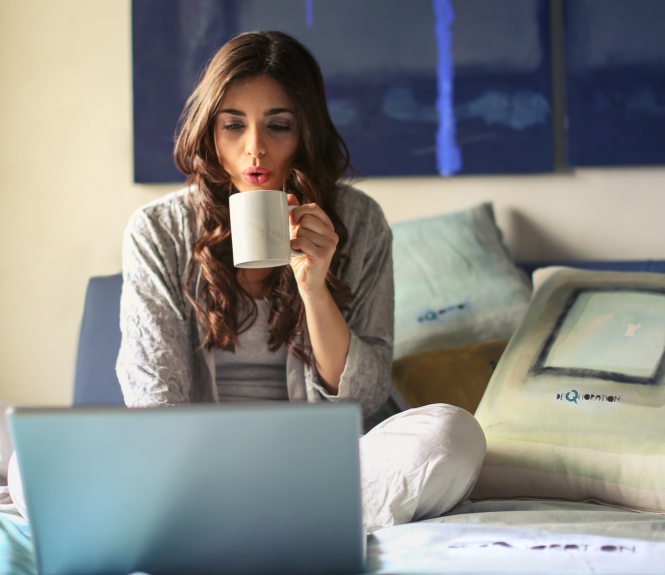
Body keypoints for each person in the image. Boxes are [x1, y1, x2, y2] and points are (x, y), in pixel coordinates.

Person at [114, 31, 485, 532]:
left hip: (324, 466)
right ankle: (283, 521)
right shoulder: (158, 230)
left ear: (305, 132)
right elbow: (152, 395)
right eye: (233, 125)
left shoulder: (360, 221)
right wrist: (186, 470)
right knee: (29, 467)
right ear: (209, 133)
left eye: (278, 125)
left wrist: (314, 286)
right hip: (198, 467)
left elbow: (364, 398)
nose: (255, 149)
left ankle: (239, 522)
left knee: (452, 435)